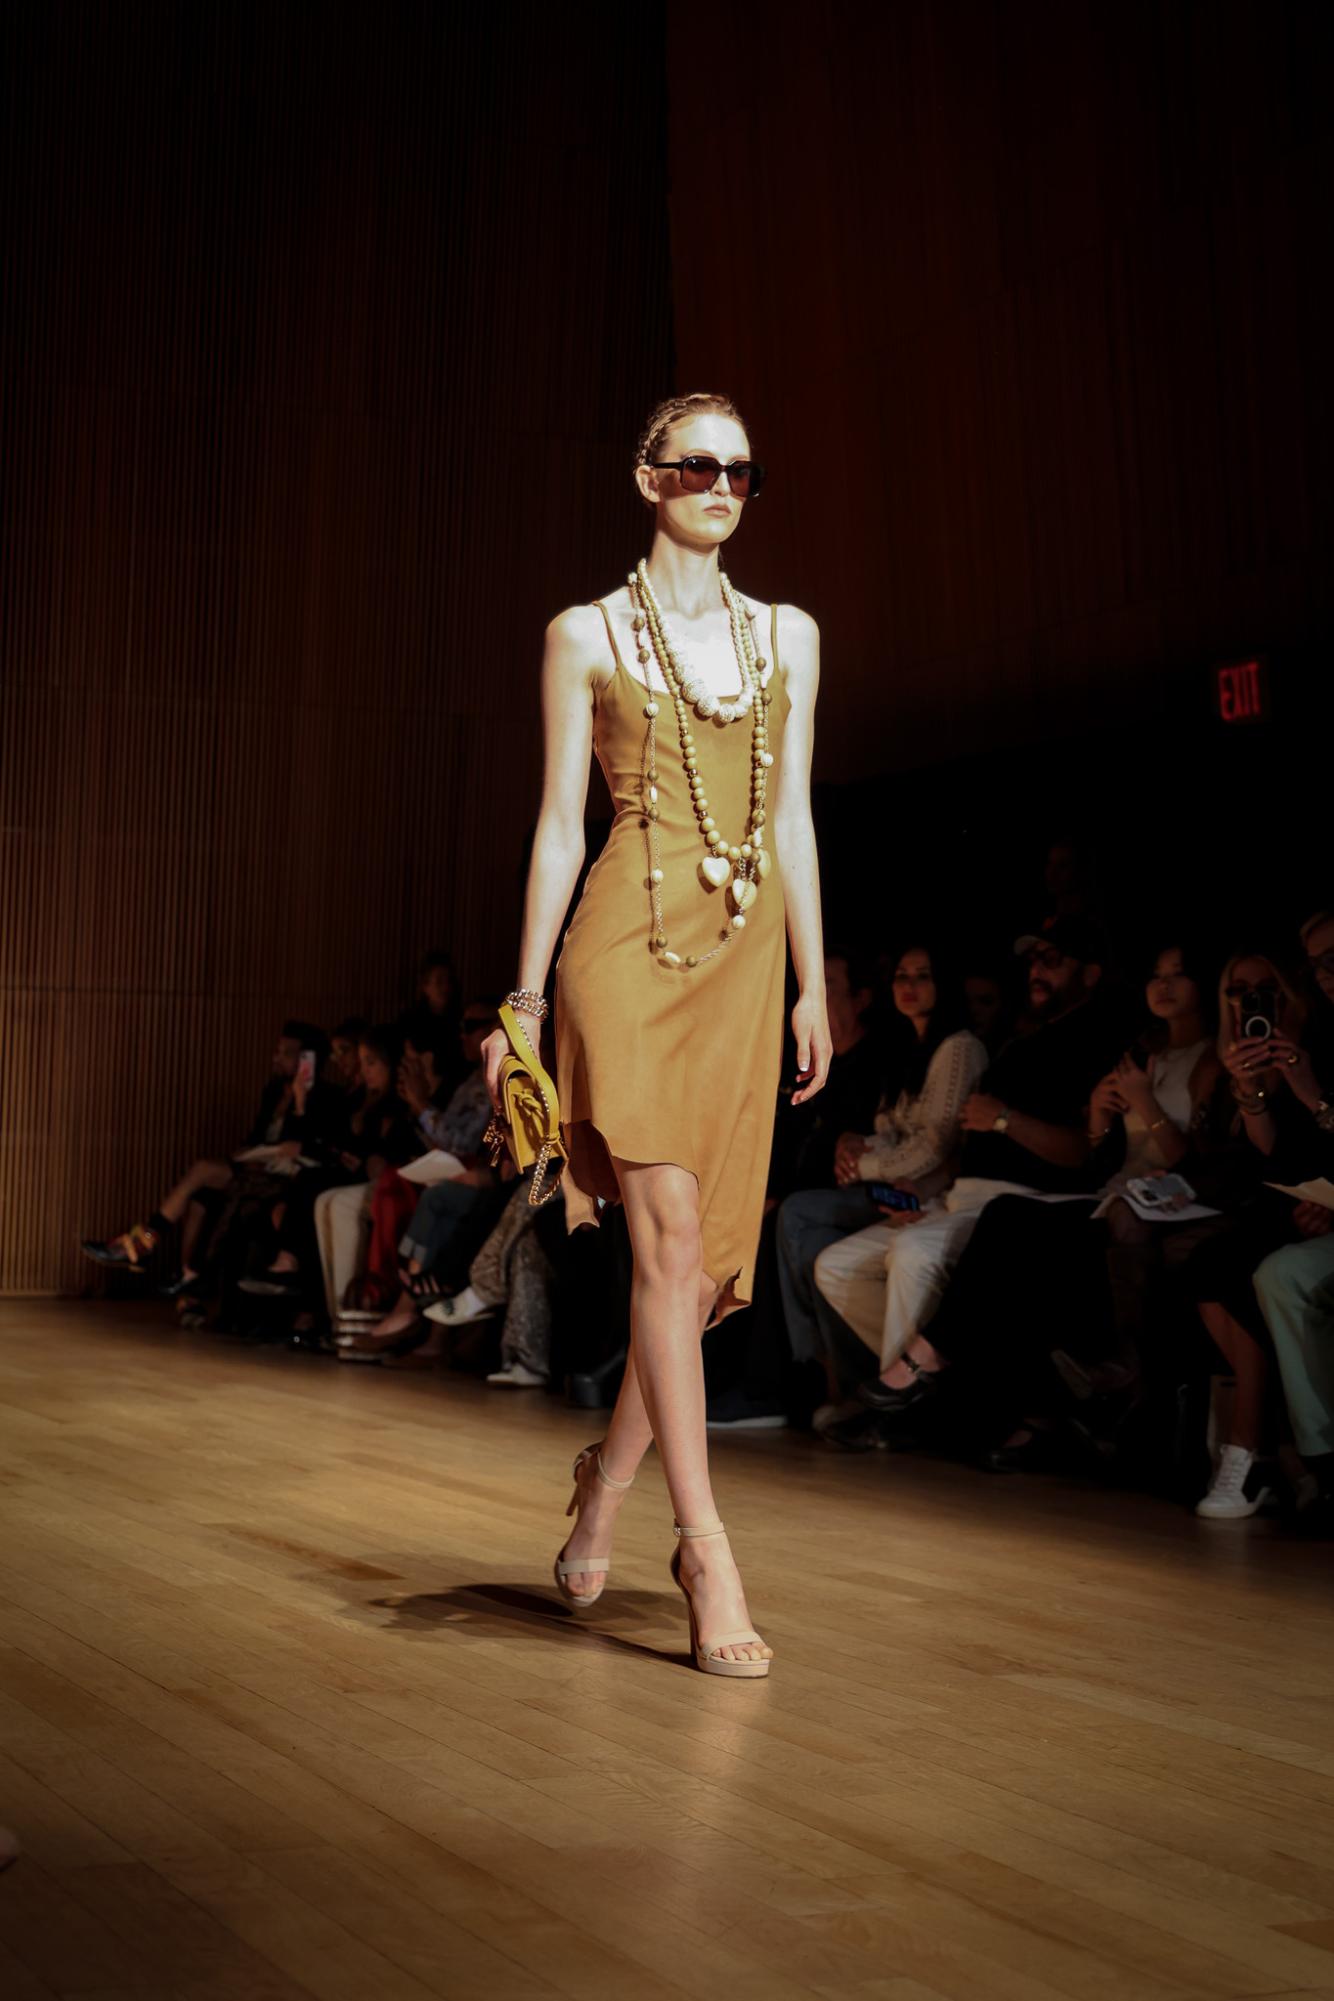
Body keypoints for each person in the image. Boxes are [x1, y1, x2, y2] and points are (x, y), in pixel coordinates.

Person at [481, 391, 830, 1676]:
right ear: (644, 479)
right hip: (624, 947)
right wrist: (521, 1003)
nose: (719, 484)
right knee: (667, 1233)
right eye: (693, 466)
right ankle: (704, 1547)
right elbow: (558, 825)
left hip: (742, 959)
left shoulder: (787, 634)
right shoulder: (584, 633)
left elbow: (791, 819)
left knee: (690, 1276)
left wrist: (811, 985)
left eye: (740, 467)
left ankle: (604, 1489)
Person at [823, 917, 1121, 1447]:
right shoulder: (1020, 1041)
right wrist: (929, 1189)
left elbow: (1083, 1152)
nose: (1037, 969)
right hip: (964, 1198)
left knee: (912, 1252)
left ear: (1092, 974)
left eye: (1053, 960)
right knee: (837, 1264)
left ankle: (898, 1412)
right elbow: (954, 1146)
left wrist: (1004, 1119)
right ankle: (938, 1387)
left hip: (1027, 1204)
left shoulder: (1095, 1043)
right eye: (1033, 960)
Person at [773, 943, 986, 1436]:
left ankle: (868, 1394)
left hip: (932, 1195)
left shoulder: (958, 1047)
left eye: (923, 976)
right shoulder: (913, 1045)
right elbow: (893, 1127)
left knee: (804, 1217)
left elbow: (934, 1147)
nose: (909, 986)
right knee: (822, 1256)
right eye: (902, 976)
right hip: (899, 1188)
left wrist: (863, 1162)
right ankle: (857, 1385)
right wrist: (858, 1144)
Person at [704, 943, 884, 1430]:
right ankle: (702, 1379)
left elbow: (852, 1155)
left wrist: (777, 1199)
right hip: (782, 1194)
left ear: (861, 997)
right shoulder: (797, 1061)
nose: (816, 994)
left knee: (778, 1225)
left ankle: (768, 1390)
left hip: (845, 1200)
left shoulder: (874, 1064)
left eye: (828, 985)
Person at [81, 1020, 332, 1288]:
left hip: (286, 1177)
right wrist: (250, 1152)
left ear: (308, 1059)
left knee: (202, 1169)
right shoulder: (272, 1092)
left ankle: (146, 1243)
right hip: (256, 1167)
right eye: (277, 1051)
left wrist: (301, 1102)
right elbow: (257, 1138)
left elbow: (309, 1144)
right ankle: (187, 1280)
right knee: (199, 1196)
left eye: (286, 1053)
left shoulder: (323, 1096)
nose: (277, 1058)